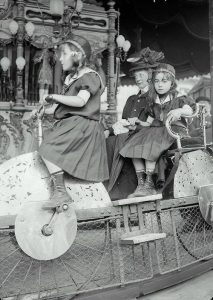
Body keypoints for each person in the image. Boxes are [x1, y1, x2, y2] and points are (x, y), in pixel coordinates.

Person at [38, 34, 109, 208]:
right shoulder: (71, 79)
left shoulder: (89, 76)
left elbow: (81, 101)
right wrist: (43, 110)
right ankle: (60, 190)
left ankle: (61, 193)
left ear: (76, 54)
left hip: (83, 126)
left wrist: (55, 96)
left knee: (47, 149)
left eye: (64, 54)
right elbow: (61, 108)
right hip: (73, 124)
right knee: (46, 147)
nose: (60, 59)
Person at [120, 63, 194, 197]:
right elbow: (148, 123)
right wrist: (137, 122)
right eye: (157, 81)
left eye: (164, 81)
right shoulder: (153, 101)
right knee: (132, 145)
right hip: (156, 130)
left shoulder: (178, 97)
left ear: (171, 83)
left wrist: (180, 110)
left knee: (150, 143)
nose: (160, 85)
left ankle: (149, 183)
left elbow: (190, 110)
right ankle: (142, 183)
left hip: (173, 130)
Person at [105, 48, 164, 200]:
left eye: (141, 74)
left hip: (148, 134)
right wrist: (110, 130)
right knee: (109, 141)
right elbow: (124, 121)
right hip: (131, 132)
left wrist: (137, 125)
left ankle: (129, 188)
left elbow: (158, 122)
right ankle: (112, 188)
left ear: (150, 76)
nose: (138, 78)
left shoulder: (156, 96)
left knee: (121, 142)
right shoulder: (132, 99)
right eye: (136, 75)